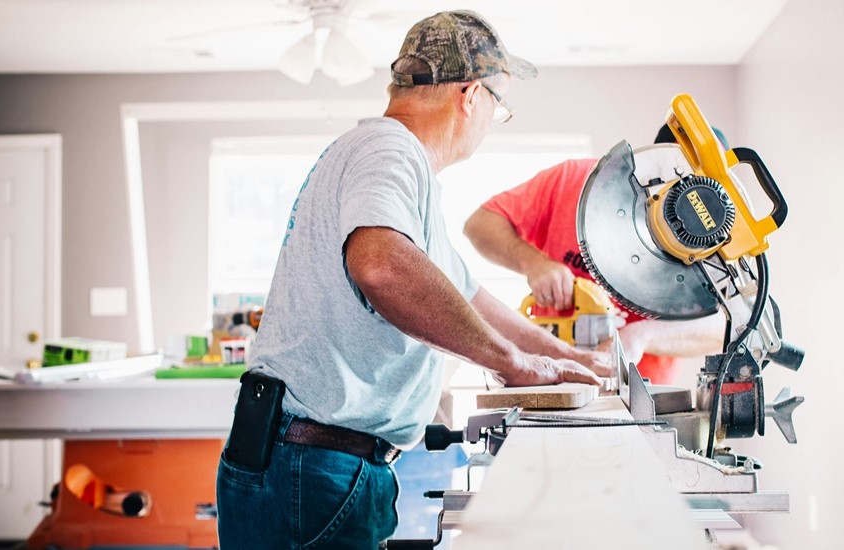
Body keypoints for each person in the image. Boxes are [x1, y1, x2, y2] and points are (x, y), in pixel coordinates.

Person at [215, 11, 611, 549]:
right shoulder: (389, 150)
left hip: (311, 460)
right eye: (500, 106)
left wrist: (567, 360)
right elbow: (380, 266)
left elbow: (470, 296)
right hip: (313, 466)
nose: (493, 120)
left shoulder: (393, 165)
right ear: (471, 95)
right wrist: (511, 364)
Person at [464, 125, 731, 385]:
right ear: (653, 158)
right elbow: (479, 224)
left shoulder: (712, 241)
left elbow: (726, 327)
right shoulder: (574, 181)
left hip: (640, 396)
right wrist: (532, 263)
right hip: (548, 378)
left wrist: (641, 336)